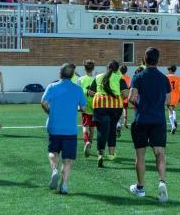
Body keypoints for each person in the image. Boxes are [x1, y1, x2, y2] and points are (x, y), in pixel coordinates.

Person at [128, 47, 171, 202]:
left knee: (140, 155)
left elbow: (131, 98)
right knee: (159, 152)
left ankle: (140, 187)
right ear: (157, 60)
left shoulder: (138, 77)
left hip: (141, 119)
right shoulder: (164, 79)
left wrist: (138, 101)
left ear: (144, 59)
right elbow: (168, 101)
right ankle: (162, 181)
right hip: (158, 120)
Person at [41, 63, 86, 195]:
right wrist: (75, 108)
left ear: (60, 73)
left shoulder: (52, 86)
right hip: (70, 129)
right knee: (68, 160)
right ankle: (64, 185)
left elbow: (43, 102)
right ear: (72, 75)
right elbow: (83, 108)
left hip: (54, 126)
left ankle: (54, 170)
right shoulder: (78, 89)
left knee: (53, 152)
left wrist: (50, 111)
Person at [89, 60, 128, 167]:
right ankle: (111, 154)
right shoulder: (119, 78)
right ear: (117, 69)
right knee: (112, 128)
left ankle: (100, 155)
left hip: (99, 105)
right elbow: (125, 94)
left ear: (107, 67)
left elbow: (91, 93)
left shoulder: (98, 77)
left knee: (101, 130)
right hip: (116, 106)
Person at [75, 60, 97, 157]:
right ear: (93, 69)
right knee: (92, 128)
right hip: (94, 105)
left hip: (84, 106)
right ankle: (90, 144)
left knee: (85, 127)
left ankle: (86, 142)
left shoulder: (80, 79)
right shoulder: (96, 79)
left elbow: (77, 93)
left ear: (84, 69)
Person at [166, 65, 180, 134]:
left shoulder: (166, 77)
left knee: (169, 109)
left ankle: (173, 125)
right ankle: (174, 119)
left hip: (169, 95)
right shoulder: (178, 78)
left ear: (170, 70)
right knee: (172, 108)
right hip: (176, 95)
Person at [117, 65, 132, 137]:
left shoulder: (118, 77)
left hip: (119, 96)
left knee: (119, 109)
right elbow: (129, 87)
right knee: (125, 109)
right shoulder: (128, 78)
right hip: (126, 95)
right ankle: (125, 123)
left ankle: (119, 123)